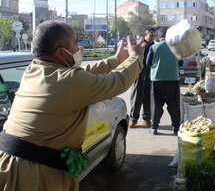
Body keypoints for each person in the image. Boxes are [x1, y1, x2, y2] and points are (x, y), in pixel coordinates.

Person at [0, 20, 145, 190]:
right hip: (32, 173)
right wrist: (136, 58)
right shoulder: (68, 81)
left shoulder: (35, 69)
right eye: (75, 43)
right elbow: (117, 81)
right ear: (61, 53)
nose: (79, 49)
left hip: (15, 163)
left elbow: (83, 75)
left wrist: (115, 60)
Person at [146, 27, 181, 135]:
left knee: (156, 104)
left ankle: (154, 127)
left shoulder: (154, 47)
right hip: (173, 79)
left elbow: (148, 63)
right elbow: (180, 63)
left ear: (158, 36)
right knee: (174, 105)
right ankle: (176, 127)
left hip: (157, 80)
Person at [129, 27, 156, 128]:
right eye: (150, 35)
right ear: (145, 35)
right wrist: (140, 44)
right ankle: (133, 119)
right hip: (138, 73)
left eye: (154, 35)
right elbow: (132, 53)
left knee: (148, 96)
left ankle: (146, 118)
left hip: (150, 74)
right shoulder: (140, 44)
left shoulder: (154, 46)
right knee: (137, 96)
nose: (152, 37)